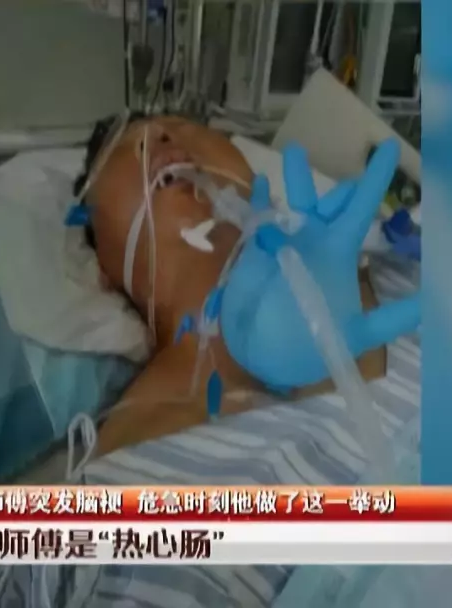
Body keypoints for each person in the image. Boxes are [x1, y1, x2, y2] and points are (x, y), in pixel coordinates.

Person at [74, 112, 391, 455]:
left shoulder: (396, 275)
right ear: (104, 265)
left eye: (181, 129)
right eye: (127, 146)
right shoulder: (137, 449)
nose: (165, 138)